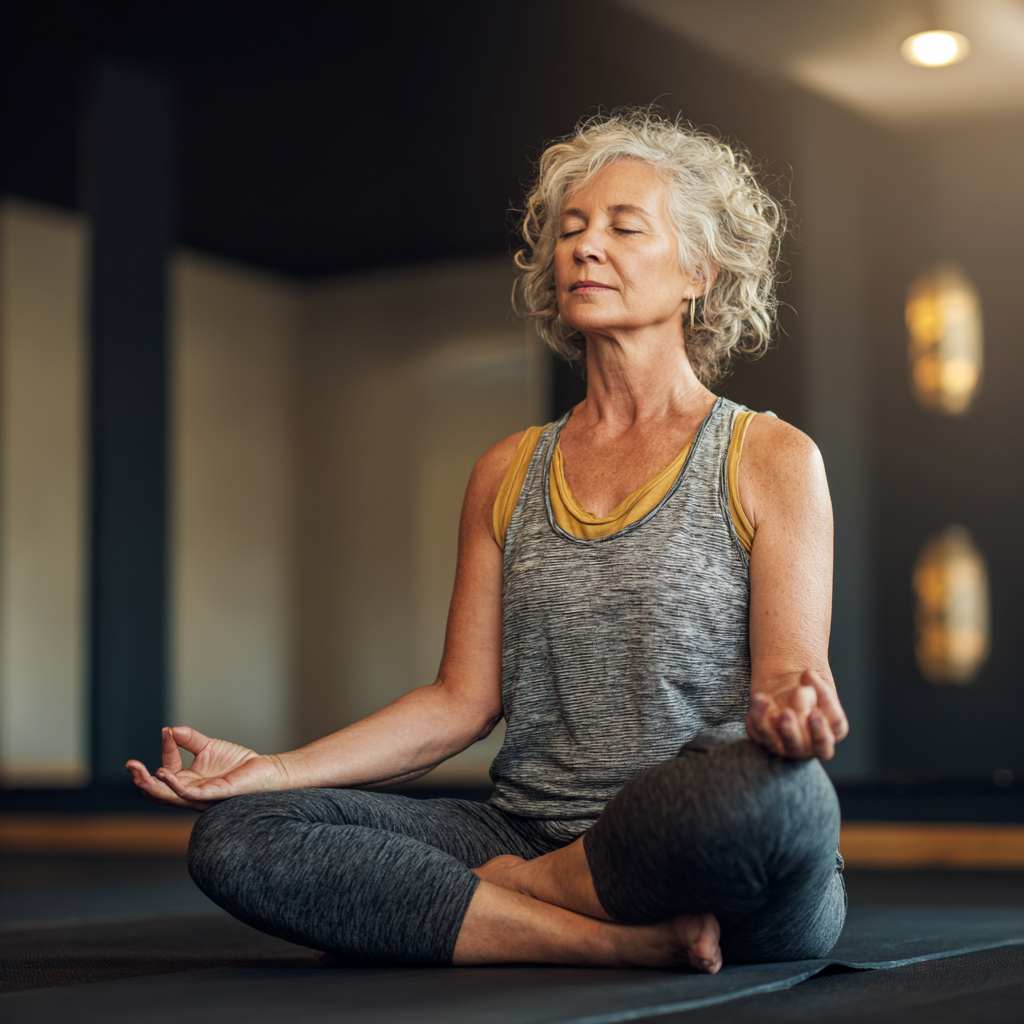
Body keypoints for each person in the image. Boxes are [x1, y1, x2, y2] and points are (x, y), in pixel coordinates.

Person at [127, 108, 849, 973]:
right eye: (572, 229)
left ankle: (522, 894)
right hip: (522, 824)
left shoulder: (771, 457)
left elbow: (787, 681)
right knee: (240, 836)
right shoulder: (507, 470)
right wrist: (275, 772)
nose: (586, 247)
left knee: (779, 800)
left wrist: (788, 712)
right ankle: (602, 940)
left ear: (698, 269)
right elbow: (459, 703)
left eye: (624, 227)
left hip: (696, 831)